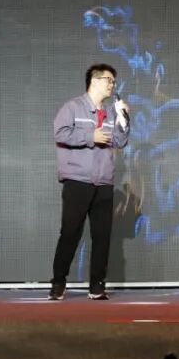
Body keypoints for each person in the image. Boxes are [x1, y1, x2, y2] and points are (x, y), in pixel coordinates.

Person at [50, 64, 130, 300]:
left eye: (114, 81)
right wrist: (90, 136)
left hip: (103, 181)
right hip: (78, 180)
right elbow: (60, 133)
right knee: (70, 232)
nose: (112, 85)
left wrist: (124, 120)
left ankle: (97, 285)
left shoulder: (110, 112)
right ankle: (58, 283)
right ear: (94, 81)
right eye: (108, 80)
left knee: (102, 236)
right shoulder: (73, 107)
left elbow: (119, 142)